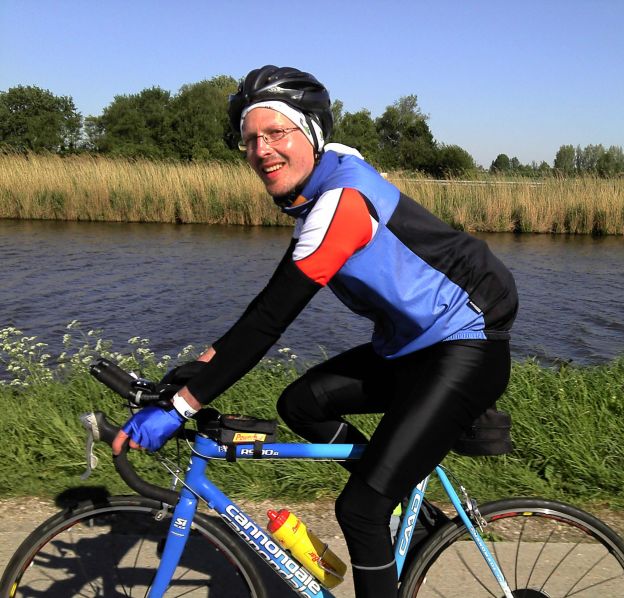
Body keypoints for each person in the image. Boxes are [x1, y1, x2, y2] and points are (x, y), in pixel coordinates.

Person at [113, 65, 518, 597]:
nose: (261, 150)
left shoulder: (340, 203)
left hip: (467, 342)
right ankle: (409, 504)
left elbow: (270, 319)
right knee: (302, 404)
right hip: (414, 345)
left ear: (310, 133)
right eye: (250, 139)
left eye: (275, 133)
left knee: (361, 509)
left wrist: (181, 408)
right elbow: (264, 307)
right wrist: (195, 372)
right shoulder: (321, 185)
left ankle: (385, 496)